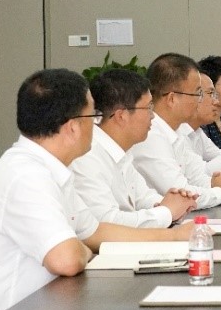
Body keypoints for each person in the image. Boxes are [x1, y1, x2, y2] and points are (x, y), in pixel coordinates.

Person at [0, 69, 193, 310]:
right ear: (73, 127)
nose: (97, 125)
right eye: (94, 116)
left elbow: (94, 231)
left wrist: (173, 237)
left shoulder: (51, 169)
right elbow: (67, 259)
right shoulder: (24, 175)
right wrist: (81, 248)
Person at [71, 69, 198, 227]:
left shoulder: (121, 150)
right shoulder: (88, 156)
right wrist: (167, 212)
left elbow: (143, 197)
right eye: (148, 108)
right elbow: (106, 222)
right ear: (121, 116)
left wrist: (172, 204)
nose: (153, 115)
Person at [131, 53, 221, 207]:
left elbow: (197, 177)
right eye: (198, 93)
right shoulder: (150, 135)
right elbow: (181, 194)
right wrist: (220, 191)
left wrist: (215, 184)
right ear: (172, 99)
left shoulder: (176, 131)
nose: (201, 100)